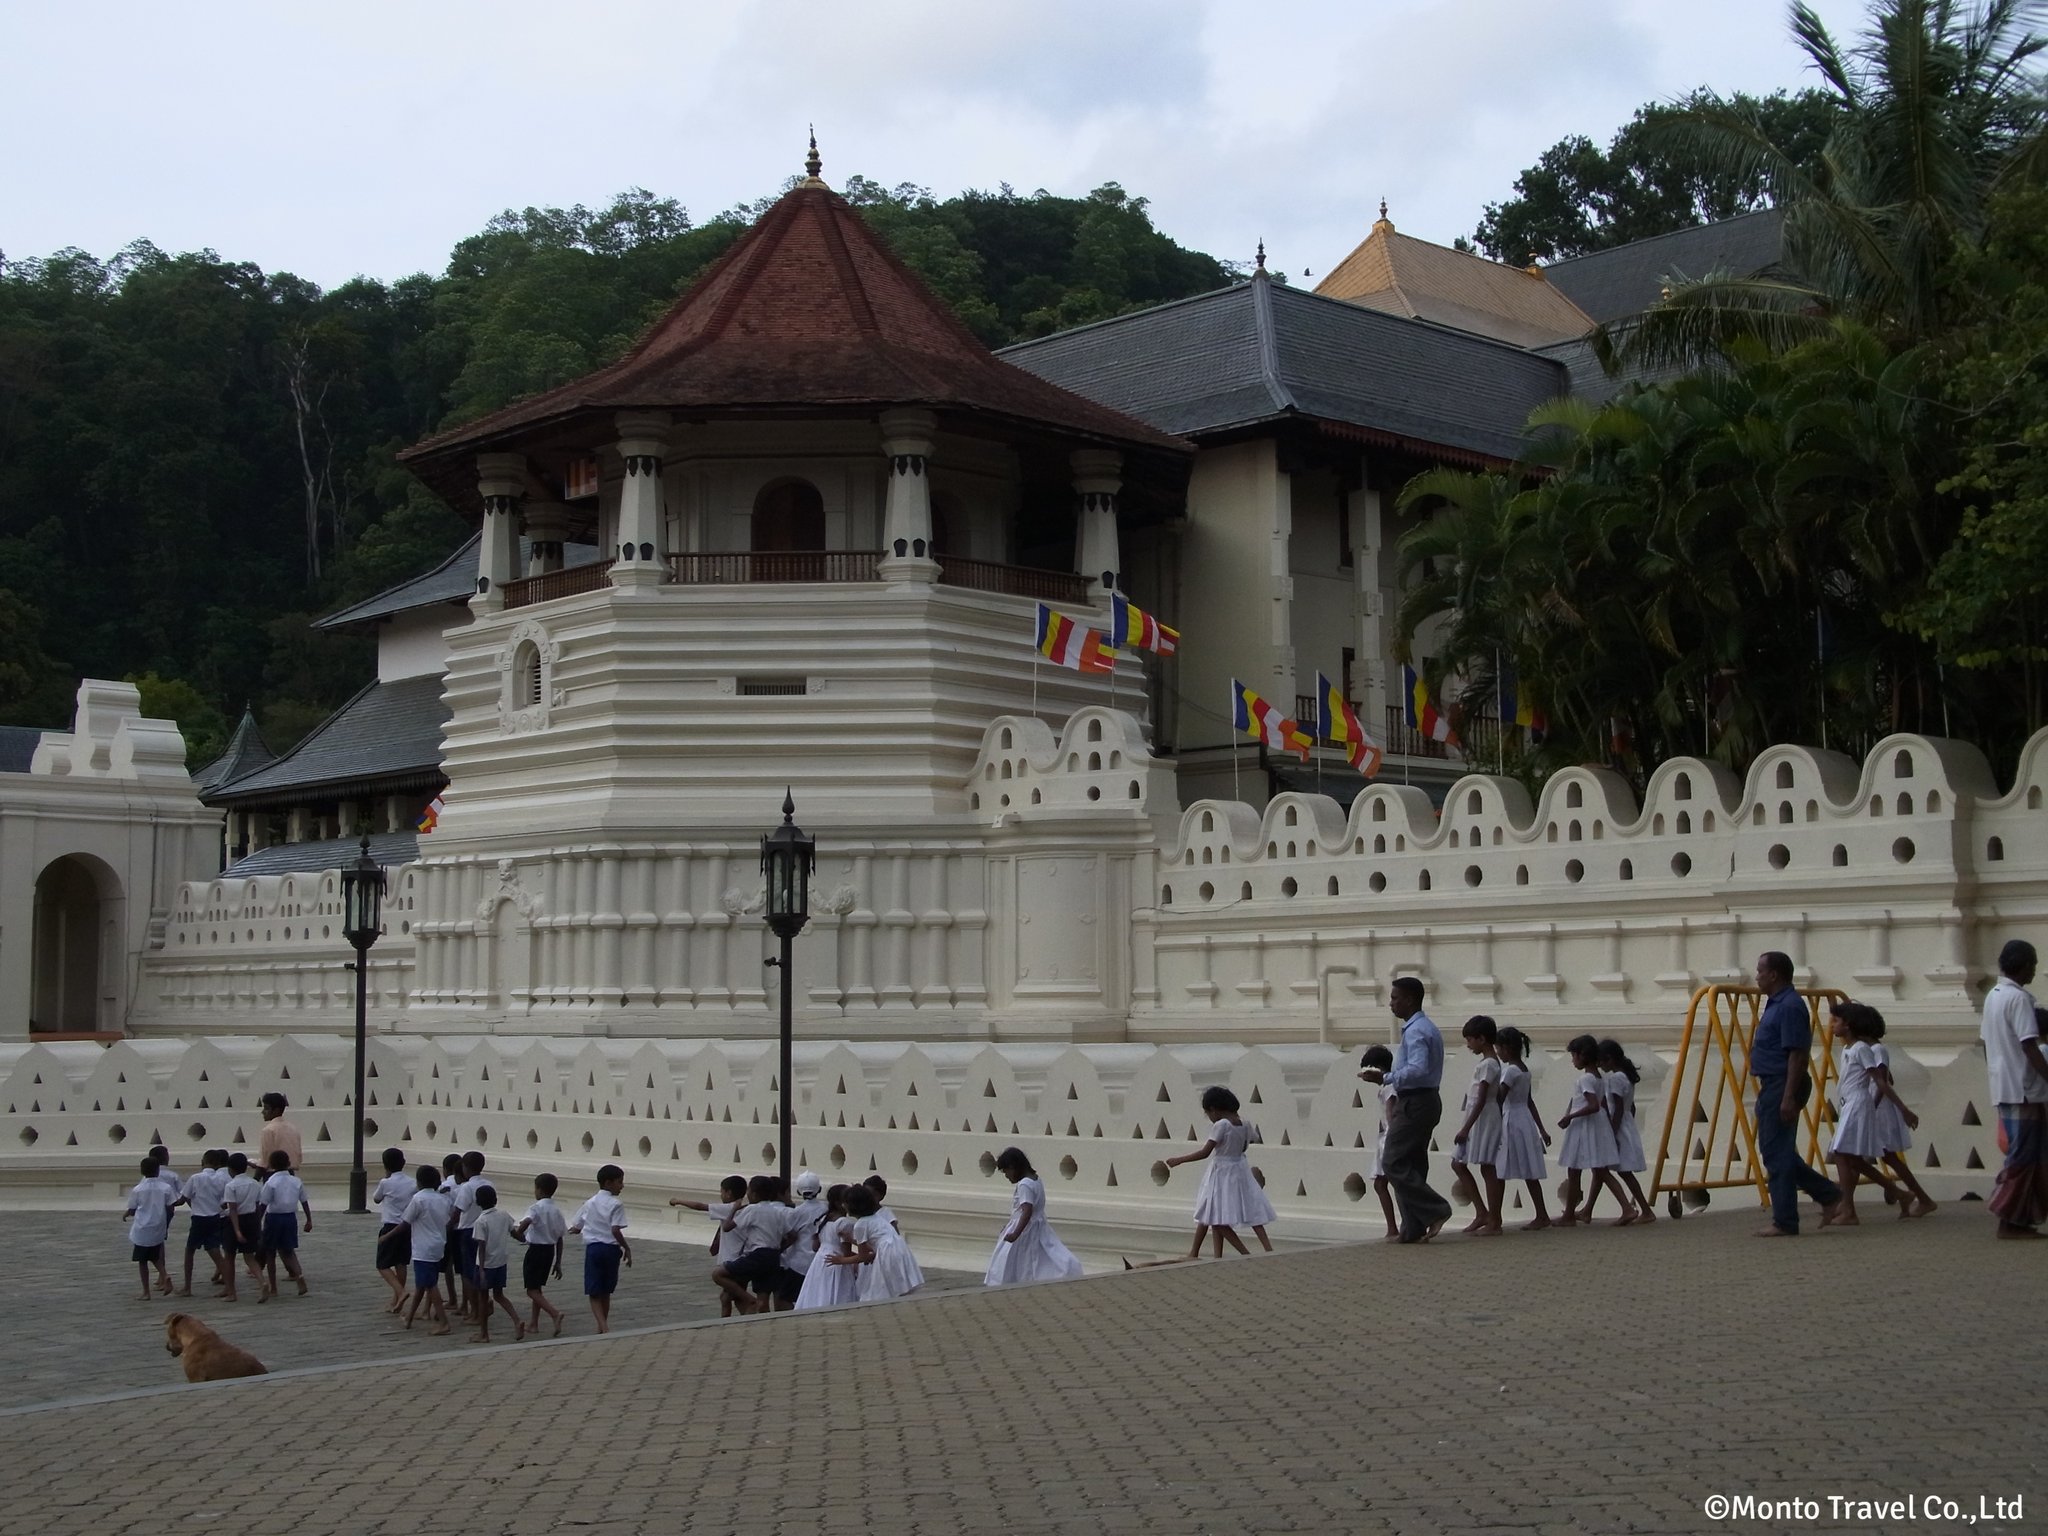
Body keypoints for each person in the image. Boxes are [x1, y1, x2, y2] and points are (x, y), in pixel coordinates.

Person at [1750, 951, 1841, 1236]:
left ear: (1774, 974)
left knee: (1775, 1153)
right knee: (1779, 1151)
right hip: (1774, 1082)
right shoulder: (1777, 1004)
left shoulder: (1789, 1006)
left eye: (1760, 971)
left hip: (1782, 1082)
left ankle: (1786, 1220)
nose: (1757, 977)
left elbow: (1797, 1054)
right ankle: (1828, 1195)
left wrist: (1788, 1096)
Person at [1362, 975, 1450, 1243]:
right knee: (1412, 1163)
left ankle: (1436, 1210)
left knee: (1393, 1161)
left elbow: (1418, 1069)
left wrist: (1385, 1078)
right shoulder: (1423, 1028)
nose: (1391, 1004)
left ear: (1410, 1000)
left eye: (1395, 998)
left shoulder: (1417, 1031)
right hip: (1424, 1100)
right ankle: (1412, 1227)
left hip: (1415, 1101)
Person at [1981, 938, 2048, 1239]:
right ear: (2023, 967)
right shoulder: (2020, 999)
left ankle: (2021, 1218)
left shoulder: (1993, 996)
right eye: (2033, 965)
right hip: (2024, 1089)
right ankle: (2007, 1216)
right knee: (2023, 1158)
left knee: (2027, 1156)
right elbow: (2029, 1045)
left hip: (2003, 1086)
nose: (2034, 971)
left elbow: (1987, 1043)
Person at [1164, 1086, 1275, 1257]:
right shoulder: (1244, 1123)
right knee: (1235, 1210)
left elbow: (1205, 1152)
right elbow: (1250, 1141)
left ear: (1213, 1110)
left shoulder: (1221, 1125)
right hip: (1240, 1168)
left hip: (1221, 1173)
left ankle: (1244, 1253)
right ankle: (1263, 1249)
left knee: (1214, 1216)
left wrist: (1179, 1160)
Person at [1556, 1034, 1633, 1225]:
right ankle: (1623, 1207)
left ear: (1582, 1056)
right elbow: (1603, 1104)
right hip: (1597, 1126)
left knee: (1577, 1171)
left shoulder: (1586, 1080)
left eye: (1574, 1056)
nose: (1573, 1060)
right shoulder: (1600, 1078)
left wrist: (1569, 1116)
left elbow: (1593, 1105)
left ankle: (1570, 1216)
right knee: (1599, 1170)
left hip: (1585, 1127)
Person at [1825, 1003, 1891, 1226]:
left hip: (1858, 1103)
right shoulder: (1849, 1050)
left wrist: (1902, 1109)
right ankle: (1848, 1204)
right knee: (1846, 1156)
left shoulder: (1862, 1049)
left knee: (1844, 1154)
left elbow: (1881, 1080)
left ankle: (1849, 1208)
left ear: (1848, 1025)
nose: (1832, 1025)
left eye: (1836, 1021)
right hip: (1849, 1104)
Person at [1866, 1015, 1936, 1219]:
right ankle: (1905, 1195)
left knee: (1868, 1156)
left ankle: (1911, 1195)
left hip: (1877, 1109)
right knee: (1868, 1156)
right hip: (1872, 1106)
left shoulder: (1877, 1050)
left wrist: (1875, 1107)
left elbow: (1883, 1082)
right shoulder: (1865, 1051)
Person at [984, 1147, 1084, 1286]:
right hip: (1038, 1226)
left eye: (1006, 1171)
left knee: (1020, 1260)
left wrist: (1015, 1233)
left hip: (1025, 1229)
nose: (1006, 1176)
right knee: (1044, 1254)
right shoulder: (1036, 1180)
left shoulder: (1024, 1185)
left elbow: (1026, 1211)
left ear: (1013, 1167)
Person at [1493, 1028, 1552, 1230]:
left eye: (1498, 1048)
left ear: (1507, 1048)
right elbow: (1529, 1102)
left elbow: (1500, 1098)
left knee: (1498, 1169)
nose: (1498, 1053)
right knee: (1529, 1169)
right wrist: (1541, 1129)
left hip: (1511, 1121)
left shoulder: (1509, 1071)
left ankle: (1495, 1217)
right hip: (1524, 1120)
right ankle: (1542, 1213)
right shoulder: (1524, 1069)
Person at [713, 1175, 796, 1315]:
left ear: (755, 1194)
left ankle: (748, 1299)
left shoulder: (752, 1210)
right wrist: (779, 1249)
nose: (748, 1195)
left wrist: (734, 1209)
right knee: (764, 1298)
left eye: (749, 1192)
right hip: (773, 1256)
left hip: (757, 1254)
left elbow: (727, 1227)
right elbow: (793, 1236)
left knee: (718, 1274)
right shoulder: (777, 1212)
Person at [1450, 1017, 1504, 1236]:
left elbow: (1482, 1098)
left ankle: (1494, 1219)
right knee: (1459, 1163)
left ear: (1482, 1039)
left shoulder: (1490, 1064)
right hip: (1479, 1115)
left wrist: (1466, 1128)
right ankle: (1483, 1212)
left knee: (1488, 1167)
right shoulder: (1486, 1063)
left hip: (1483, 1117)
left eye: (1470, 1039)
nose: (1468, 1044)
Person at [830, 1185, 922, 1300]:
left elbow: (863, 1256)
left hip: (886, 1252)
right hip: (899, 1247)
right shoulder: (876, 1217)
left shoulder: (860, 1225)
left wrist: (842, 1260)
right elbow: (872, 1244)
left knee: (881, 1289)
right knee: (897, 1284)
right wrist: (852, 1240)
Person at [569, 1164, 632, 1332]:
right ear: (608, 1183)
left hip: (594, 1248)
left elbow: (576, 1225)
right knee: (606, 1290)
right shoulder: (616, 1204)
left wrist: (573, 1231)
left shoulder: (590, 1203)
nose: (622, 1186)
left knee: (594, 1291)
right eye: (619, 1182)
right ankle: (603, 1324)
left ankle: (602, 1325)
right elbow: (615, 1230)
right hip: (611, 1249)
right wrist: (626, 1247)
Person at [1598, 1040, 1655, 1225]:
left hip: (1619, 1125)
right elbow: (1631, 1107)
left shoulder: (1615, 1079)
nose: (1600, 1065)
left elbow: (1619, 1108)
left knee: (1620, 1171)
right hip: (1627, 1123)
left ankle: (1637, 1209)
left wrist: (1613, 1134)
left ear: (1609, 1059)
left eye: (1602, 1061)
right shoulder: (1626, 1076)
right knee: (1619, 1171)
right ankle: (1641, 1209)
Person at [396, 1166, 454, 1335]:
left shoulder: (418, 1199)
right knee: (423, 1283)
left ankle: (444, 1322)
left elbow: (405, 1222)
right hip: (438, 1245)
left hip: (423, 1248)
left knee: (430, 1284)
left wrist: (387, 1237)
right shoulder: (444, 1199)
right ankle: (410, 1317)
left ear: (419, 1182)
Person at [513, 1173, 567, 1338]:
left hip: (536, 1251)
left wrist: (517, 1234)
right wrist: (558, 1262)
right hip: (549, 1251)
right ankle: (534, 1323)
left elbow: (525, 1224)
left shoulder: (535, 1208)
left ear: (539, 1189)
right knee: (537, 1287)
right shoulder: (556, 1211)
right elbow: (560, 1239)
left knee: (531, 1290)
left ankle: (554, 1313)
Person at [469, 1185, 523, 1342]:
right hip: (500, 1262)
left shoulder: (481, 1221)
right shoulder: (504, 1215)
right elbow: (514, 1233)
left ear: (478, 1202)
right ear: (495, 1199)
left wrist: (481, 1271)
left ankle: (484, 1334)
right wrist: (524, 1238)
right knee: (499, 1295)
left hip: (485, 1265)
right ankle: (517, 1320)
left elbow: (481, 1245)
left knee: (483, 1298)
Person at [794, 1185, 860, 1311]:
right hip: (837, 1261)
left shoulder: (823, 1219)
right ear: (839, 1203)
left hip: (819, 1261)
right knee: (837, 1293)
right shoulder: (844, 1223)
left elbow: (815, 1246)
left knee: (818, 1292)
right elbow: (846, 1252)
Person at [1358, 1045, 1399, 1241]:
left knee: (1384, 1183)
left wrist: (1391, 1138)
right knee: (1382, 1184)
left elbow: (1391, 1114)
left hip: (1389, 1139)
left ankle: (1394, 1227)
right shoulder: (1386, 1087)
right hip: (1385, 1138)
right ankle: (1393, 1227)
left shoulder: (1389, 1087)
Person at [257, 1149, 310, 1301]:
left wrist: (257, 1222)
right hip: (290, 1218)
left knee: (270, 1253)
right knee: (289, 1251)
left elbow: (263, 1205)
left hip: (274, 1218)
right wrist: (308, 1219)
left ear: (271, 1165)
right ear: (288, 1163)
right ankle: (299, 1275)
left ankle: (273, 1287)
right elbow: (304, 1201)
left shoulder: (271, 1182)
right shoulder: (296, 1181)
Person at [179, 1148, 230, 1296]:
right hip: (214, 1218)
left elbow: (183, 1198)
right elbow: (225, 1201)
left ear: (203, 1162)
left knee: (190, 1251)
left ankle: (187, 1287)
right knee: (216, 1254)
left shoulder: (195, 1178)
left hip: (199, 1219)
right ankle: (229, 1285)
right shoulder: (221, 1179)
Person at [123, 1156, 175, 1300]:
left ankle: (146, 1291)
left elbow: (133, 1208)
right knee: (154, 1255)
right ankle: (164, 1274)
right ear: (158, 1171)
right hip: (158, 1226)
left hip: (142, 1228)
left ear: (142, 1171)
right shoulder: (165, 1188)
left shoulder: (138, 1189)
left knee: (142, 1260)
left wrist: (126, 1214)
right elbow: (171, 1205)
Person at [371, 1147, 415, 1311]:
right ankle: (396, 1299)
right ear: (403, 1163)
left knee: (382, 1264)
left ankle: (400, 1292)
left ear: (385, 1165)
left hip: (390, 1226)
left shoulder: (386, 1182)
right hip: (406, 1226)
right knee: (400, 1262)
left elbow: (376, 1199)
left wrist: (387, 1177)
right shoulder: (412, 1182)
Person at [453, 1151, 494, 1323]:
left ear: (465, 1167)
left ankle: (476, 1310)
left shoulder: (467, 1187)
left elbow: (458, 1211)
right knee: (481, 1269)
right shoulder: (489, 1184)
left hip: (468, 1230)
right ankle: (480, 1306)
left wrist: (447, 1226)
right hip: (486, 1229)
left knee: (468, 1273)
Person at [219, 1152, 261, 1299]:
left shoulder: (231, 1185)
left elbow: (233, 1209)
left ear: (230, 1169)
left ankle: (231, 1291)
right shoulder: (255, 1184)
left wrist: (237, 1231)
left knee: (229, 1257)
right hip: (252, 1219)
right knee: (250, 1257)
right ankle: (263, 1282)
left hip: (235, 1222)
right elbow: (257, 1204)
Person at [256, 1093, 302, 1173]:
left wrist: (254, 1180)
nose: (263, 1112)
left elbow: (265, 1161)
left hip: (273, 1174)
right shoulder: (293, 1129)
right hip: (291, 1174)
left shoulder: (268, 1130)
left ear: (276, 1110)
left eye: (266, 1108)